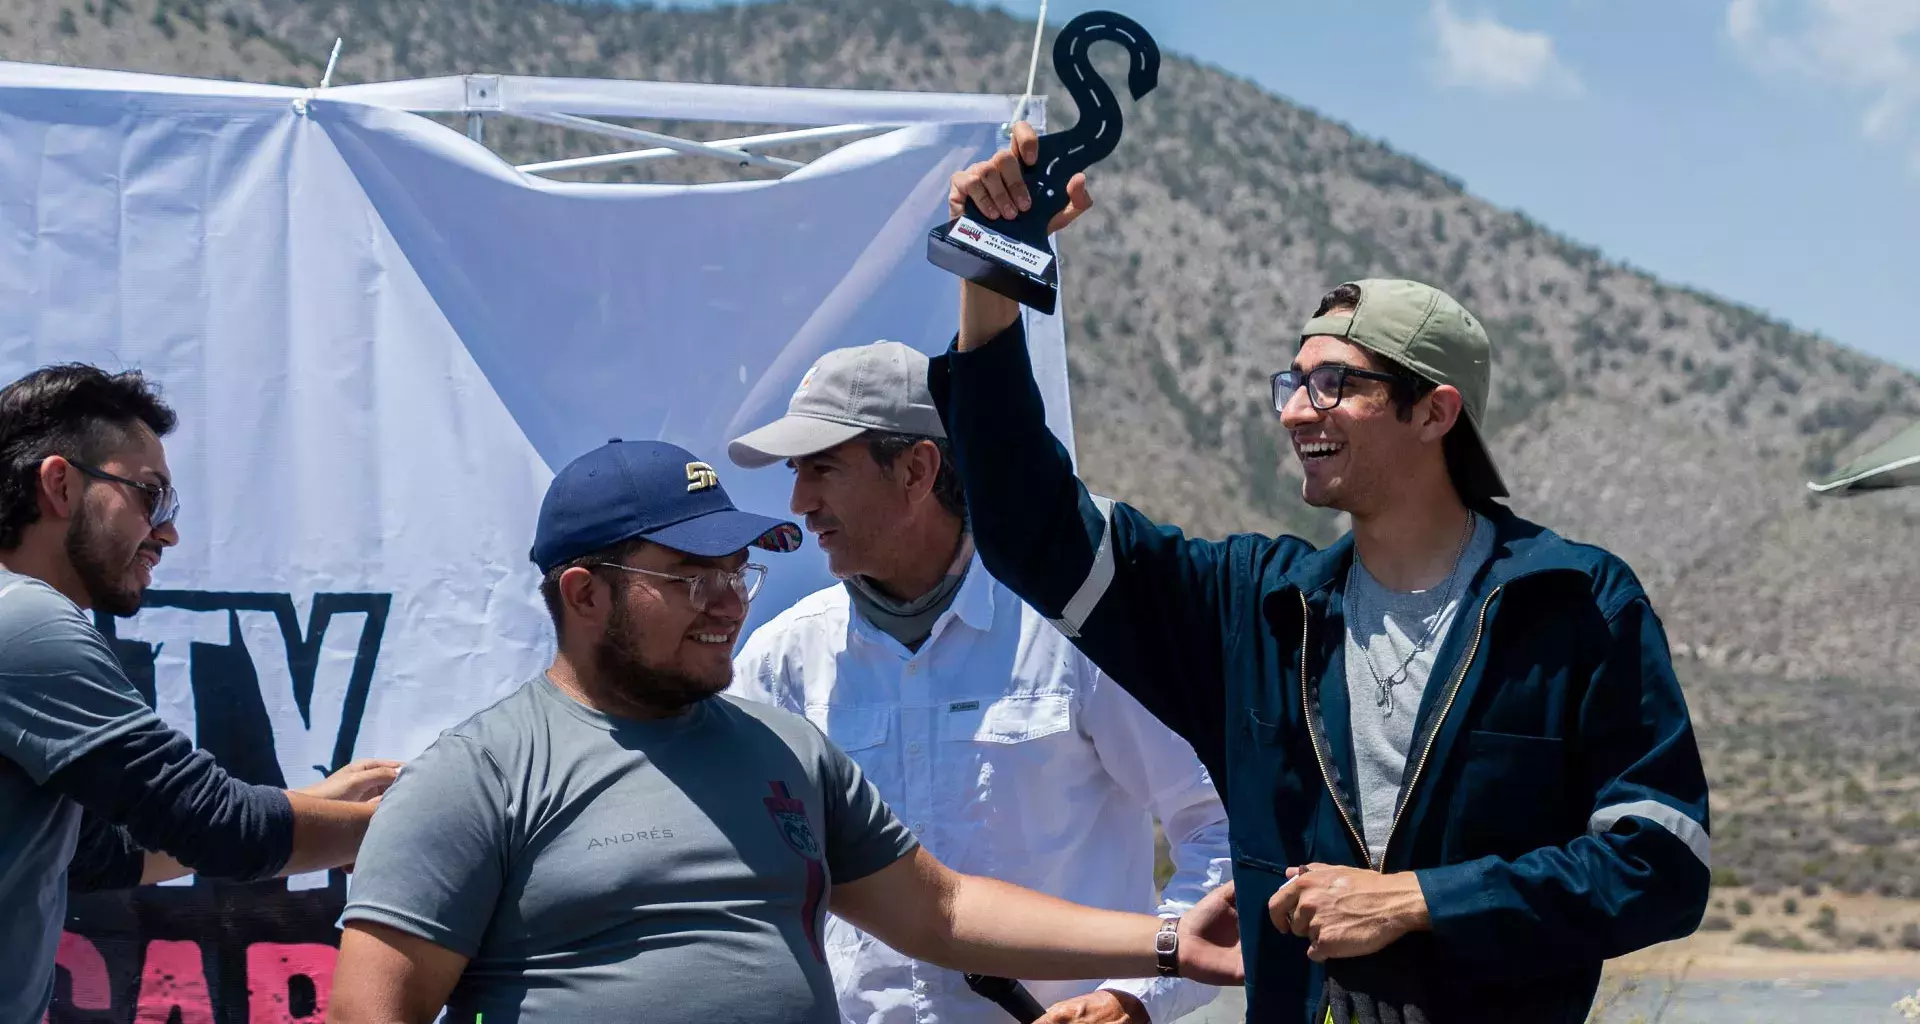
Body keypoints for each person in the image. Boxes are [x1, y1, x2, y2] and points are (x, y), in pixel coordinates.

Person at [930, 124, 1712, 1023]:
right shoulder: (1255, 609)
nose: (1297, 411)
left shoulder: (1573, 603)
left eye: (1334, 383)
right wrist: (993, 269)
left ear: (1433, 411)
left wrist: (1422, 898)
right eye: (1291, 383)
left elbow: (1662, 861)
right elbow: (1030, 529)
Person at [328, 439, 1243, 1023]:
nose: (729, 601)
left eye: (738, 572)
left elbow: (944, 912)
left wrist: (1164, 945)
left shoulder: (784, 749)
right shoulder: (477, 777)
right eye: (693, 576)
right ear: (584, 592)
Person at [727, 340, 1232, 1024]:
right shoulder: (779, 661)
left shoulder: (1074, 628)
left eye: (823, 468)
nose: (799, 502)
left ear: (917, 467)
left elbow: (1222, 830)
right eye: (797, 471)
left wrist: (1129, 1002)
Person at [0, 364, 396, 1024]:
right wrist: (423, 828)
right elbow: (220, 829)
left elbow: (93, 854)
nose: (168, 531)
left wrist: (310, 807)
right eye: (150, 497)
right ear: (60, 485)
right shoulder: (27, 624)